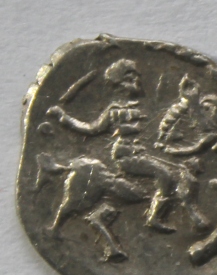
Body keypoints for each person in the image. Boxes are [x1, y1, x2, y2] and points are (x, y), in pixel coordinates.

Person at [47, 59, 208, 233]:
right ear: (122, 83)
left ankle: (183, 213)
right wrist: (63, 117)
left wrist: (188, 101)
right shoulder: (114, 111)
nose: (138, 80)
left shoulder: (141, 107)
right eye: (133, 77)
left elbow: (164, 125)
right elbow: (91, 129)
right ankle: (154, 218)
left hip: (140, 154)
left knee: (179, 172)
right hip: (126, 157)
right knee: (164, 174)